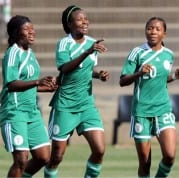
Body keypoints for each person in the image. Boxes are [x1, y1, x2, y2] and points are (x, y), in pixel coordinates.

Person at [44, 5, 109, 178]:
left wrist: (98, 75)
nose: (85, 21)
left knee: (99, 150)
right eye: (80, 19)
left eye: (86, 18)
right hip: (65, 105)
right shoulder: (64, 43)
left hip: (86, 104)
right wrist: (87, 52)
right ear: (70, 24)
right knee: (57, 156)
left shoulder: (92, 43)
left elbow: (85, 70)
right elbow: (65, 68)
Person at [119, 17, 179, 177]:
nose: (153, 32)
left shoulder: (169, 54)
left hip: (163, 110)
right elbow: (122, 81)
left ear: (164, 34)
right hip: (141, 112)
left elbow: (161, 78)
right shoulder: (137, 53)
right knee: (145, 162)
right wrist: (139, 72)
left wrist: (174, 77)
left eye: (157, 29)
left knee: (169, 156)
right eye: (149, 28)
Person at [0, 15, 58, 178]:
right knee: (21, 160)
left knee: (43, 157)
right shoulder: (12, 53)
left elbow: (28, 84)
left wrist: (46, 87)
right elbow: (11, 84)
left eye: (32, 28)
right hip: (14, 112)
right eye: (27, 29)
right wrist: (37, 82)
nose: (32, 32)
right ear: (16, 33)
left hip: (32, 113)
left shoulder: (30, 54)